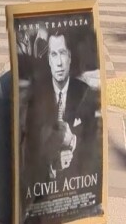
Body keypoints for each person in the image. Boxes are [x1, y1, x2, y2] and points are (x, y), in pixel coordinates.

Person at [26, 30, 100, 182]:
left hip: (76, 182)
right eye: (54, 54)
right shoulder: (36, 94)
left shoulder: (84, 92)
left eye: (62, 53)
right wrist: (51, 163)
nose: (59, 62)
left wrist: (71, 142)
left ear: (70, 58)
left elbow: (93, 140)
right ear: (49, 60)